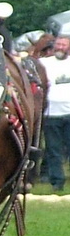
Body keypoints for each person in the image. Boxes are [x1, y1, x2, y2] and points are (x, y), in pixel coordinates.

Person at [40, 36, 70, 194]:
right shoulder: (45, 63)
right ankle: (57, 182)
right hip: (51, 114)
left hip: (69, 112)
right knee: (53, 150)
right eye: (58, 44)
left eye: (63, 45)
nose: (60, 47)